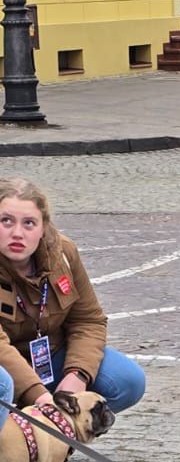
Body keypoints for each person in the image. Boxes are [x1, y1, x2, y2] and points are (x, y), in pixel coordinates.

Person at [0, 176, 145, 418]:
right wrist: (40, 396)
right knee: (3, 384)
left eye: (29, 223)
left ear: (43, 227)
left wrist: (77, 375)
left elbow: (88, 320)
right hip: (6, 369)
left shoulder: (63, 254)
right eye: (6, 221)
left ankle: (57, 439)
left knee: (127, 381)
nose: (17, 233)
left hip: (49, 359)